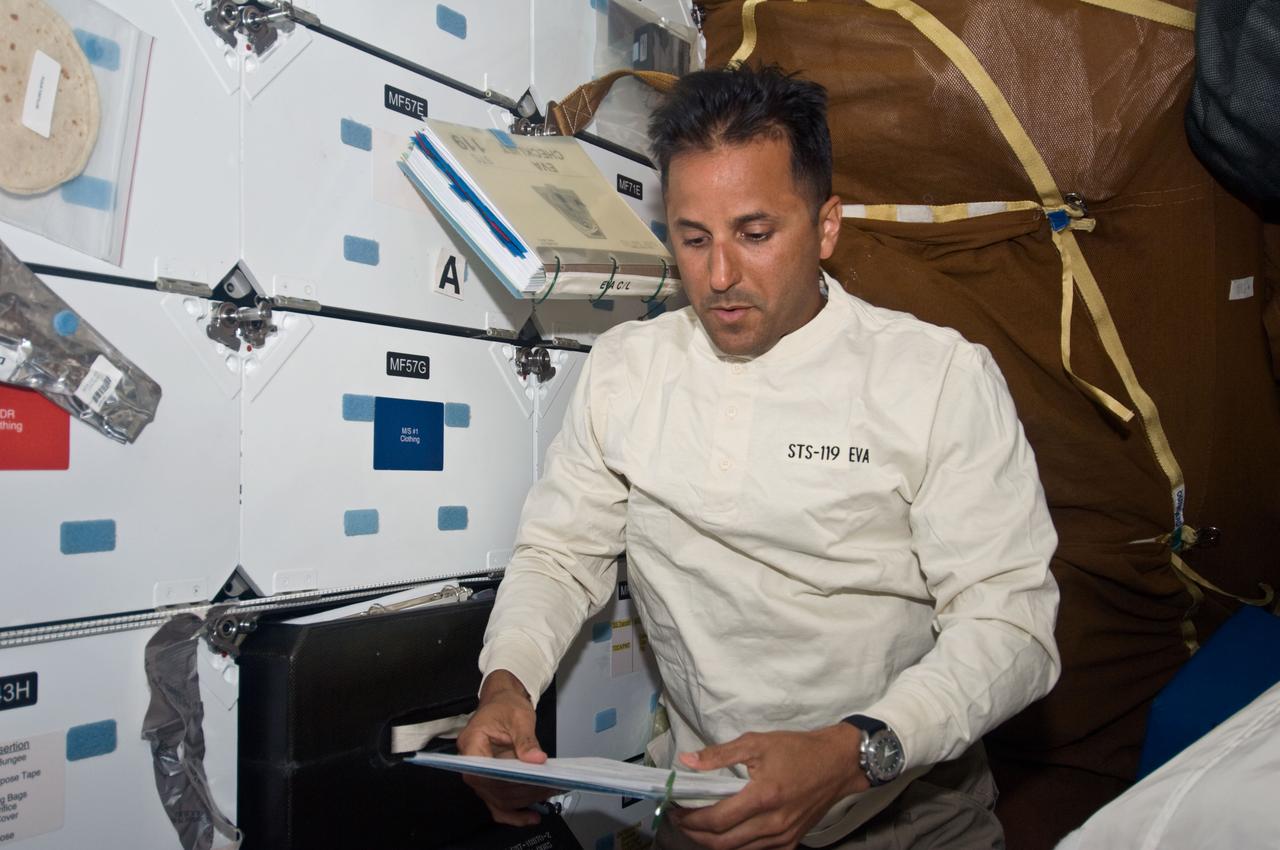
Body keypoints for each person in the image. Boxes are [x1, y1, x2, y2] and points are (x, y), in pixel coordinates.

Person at [456, 65, 1061, 850]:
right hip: (704, 815)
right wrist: (507, 684)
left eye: (755, 234)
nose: (719, 277)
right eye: (693, 238)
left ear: (827, 225)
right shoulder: (627, 370)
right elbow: (560, 555)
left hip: (906, 817)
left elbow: (1011, 625)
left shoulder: (937, 378)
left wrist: (849, 756)